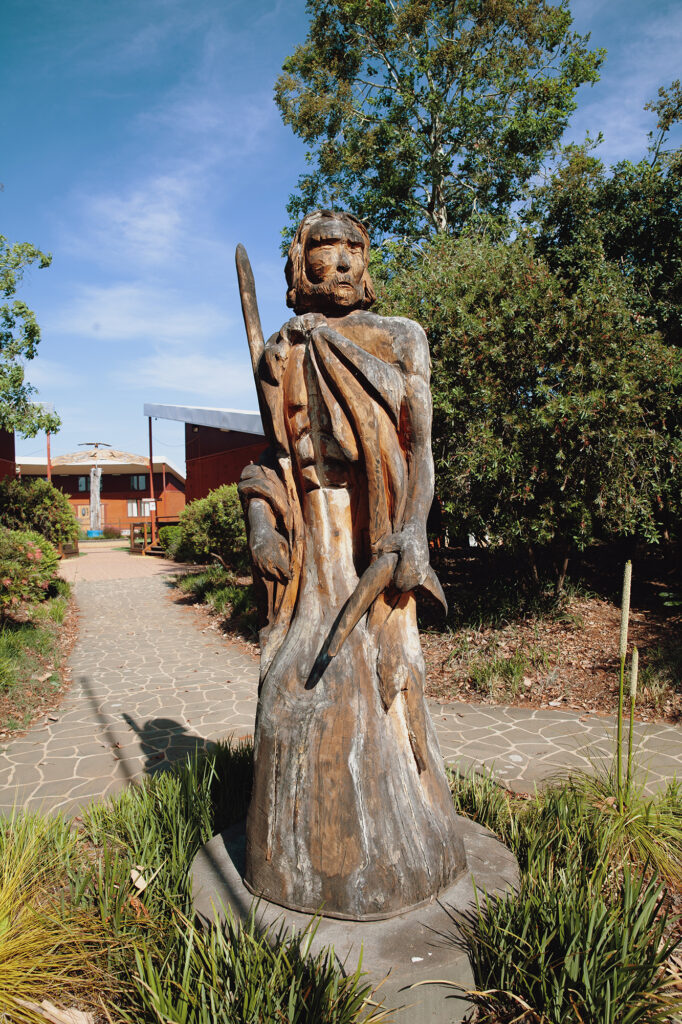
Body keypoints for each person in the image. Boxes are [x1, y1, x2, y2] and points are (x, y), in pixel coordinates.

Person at [238, 210, 464, 920]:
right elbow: (270, 464)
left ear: (366, 263)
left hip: (375, 537)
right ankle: (292, 864)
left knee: (378, 705)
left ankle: (399, 858)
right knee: (287, 701)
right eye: (320, 255)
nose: (335, 267)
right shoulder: (279, 352)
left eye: (350, 254)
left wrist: (416, 533)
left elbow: (420, 446)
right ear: (297, 265)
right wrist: (259, 525)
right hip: (314, 546)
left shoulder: (400, 337)